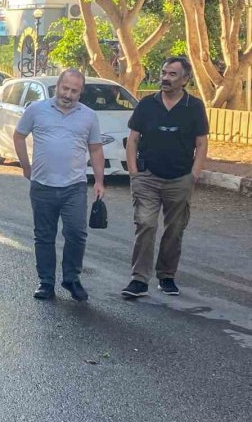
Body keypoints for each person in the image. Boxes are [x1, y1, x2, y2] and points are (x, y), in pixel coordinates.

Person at [14, 69, 105, 301]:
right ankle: (46, 283)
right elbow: (19, 135)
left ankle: (71, 278)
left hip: (74, 186)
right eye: (65, 88)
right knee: (44, 236)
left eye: (74, 91)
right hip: (42, 185)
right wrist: (25, 166)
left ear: (80, 92)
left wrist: (99, 181)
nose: (68, 94)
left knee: (76, 233)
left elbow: (95, 148)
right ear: (58, 86)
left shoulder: (89, 116)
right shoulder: (36, 110)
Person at [121, 57, 208, 298]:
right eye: (163, 72)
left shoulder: (195, 107)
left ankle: (167, 276)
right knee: (146, 224)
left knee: (175, 229)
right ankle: (138, 280)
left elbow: (201, 144)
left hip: (180, 178)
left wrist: (194, 175)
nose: (165, 78)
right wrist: (134, 173)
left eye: (172, 74)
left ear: (185, 79)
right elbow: (133, 139)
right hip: (147, 176)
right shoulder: (147, 104)